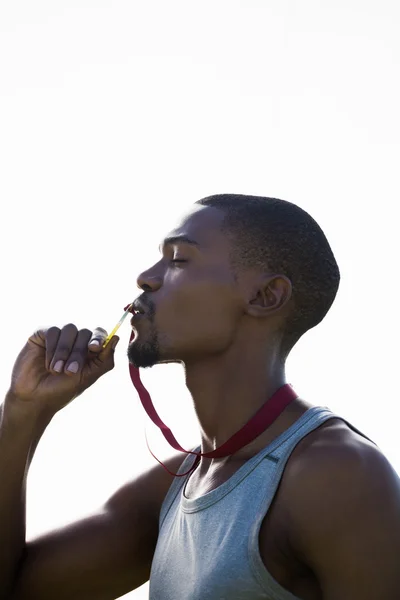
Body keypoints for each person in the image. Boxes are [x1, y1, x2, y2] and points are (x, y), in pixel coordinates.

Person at [1, 194, 400, 600]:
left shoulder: (338, 472)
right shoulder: (176, 485)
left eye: (178, 259)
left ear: (266, 297)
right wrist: (23, 412)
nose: (145, 278)